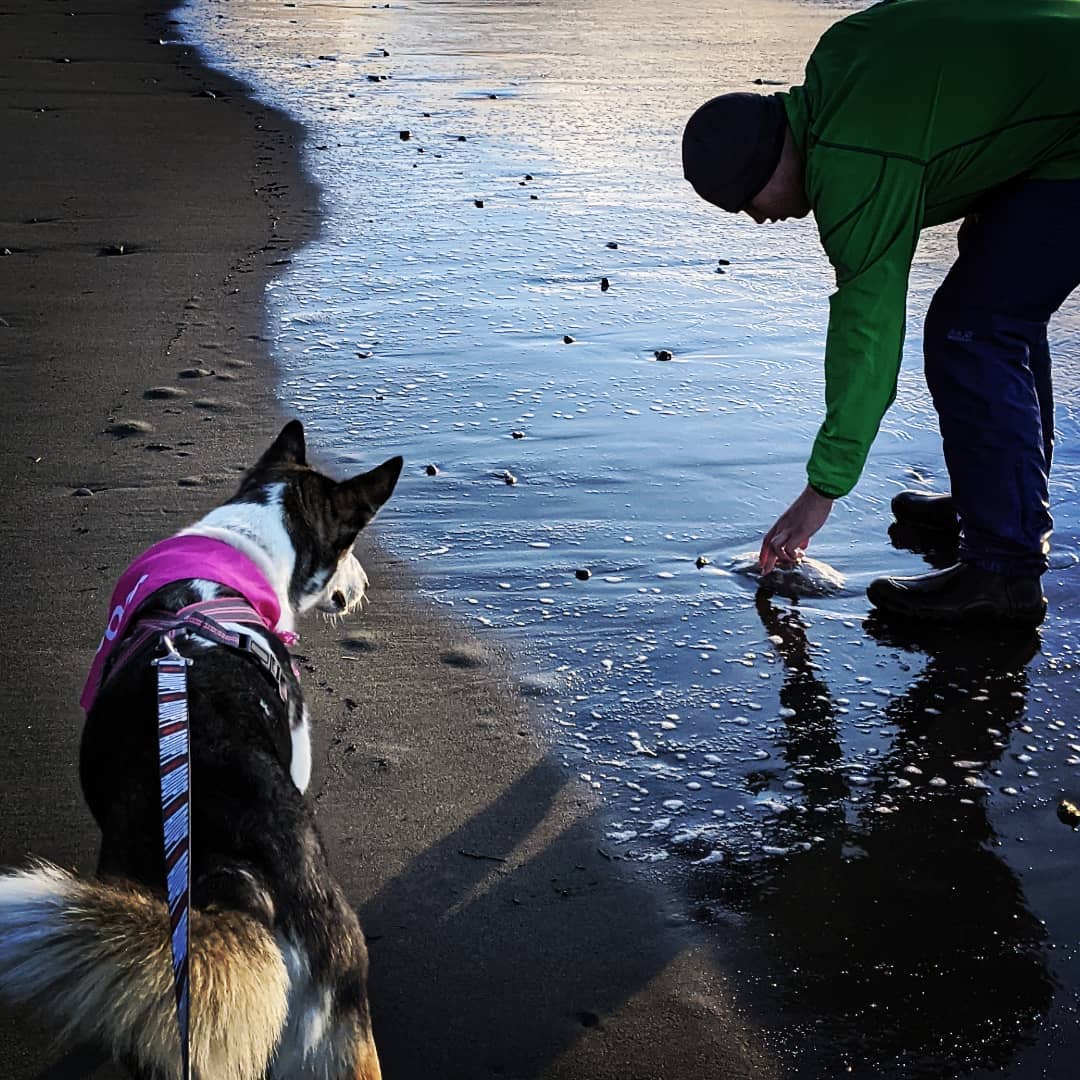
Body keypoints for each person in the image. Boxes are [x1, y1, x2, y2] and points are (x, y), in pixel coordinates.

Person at [682, 0, 1080, 625]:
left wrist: (822, 490)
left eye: (745, 202)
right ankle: (998, 501)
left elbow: (867, 334)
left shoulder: (850, 163)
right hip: (1058, 112)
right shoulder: (842, 56)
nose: (757, 218)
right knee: (998, 301)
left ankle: (1003, 574)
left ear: (769, 160)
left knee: (970, 330)